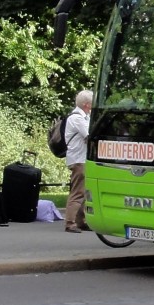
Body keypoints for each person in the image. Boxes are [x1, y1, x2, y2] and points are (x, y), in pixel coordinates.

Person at [63, 90, 92, 234]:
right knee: (78, 192)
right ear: (87, 104)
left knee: (83, 191)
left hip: (81, 158)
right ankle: (70, 222)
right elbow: (89, 135)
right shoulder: (77, 118)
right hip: (79, 159)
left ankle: (81, 221)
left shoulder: (83, 117)